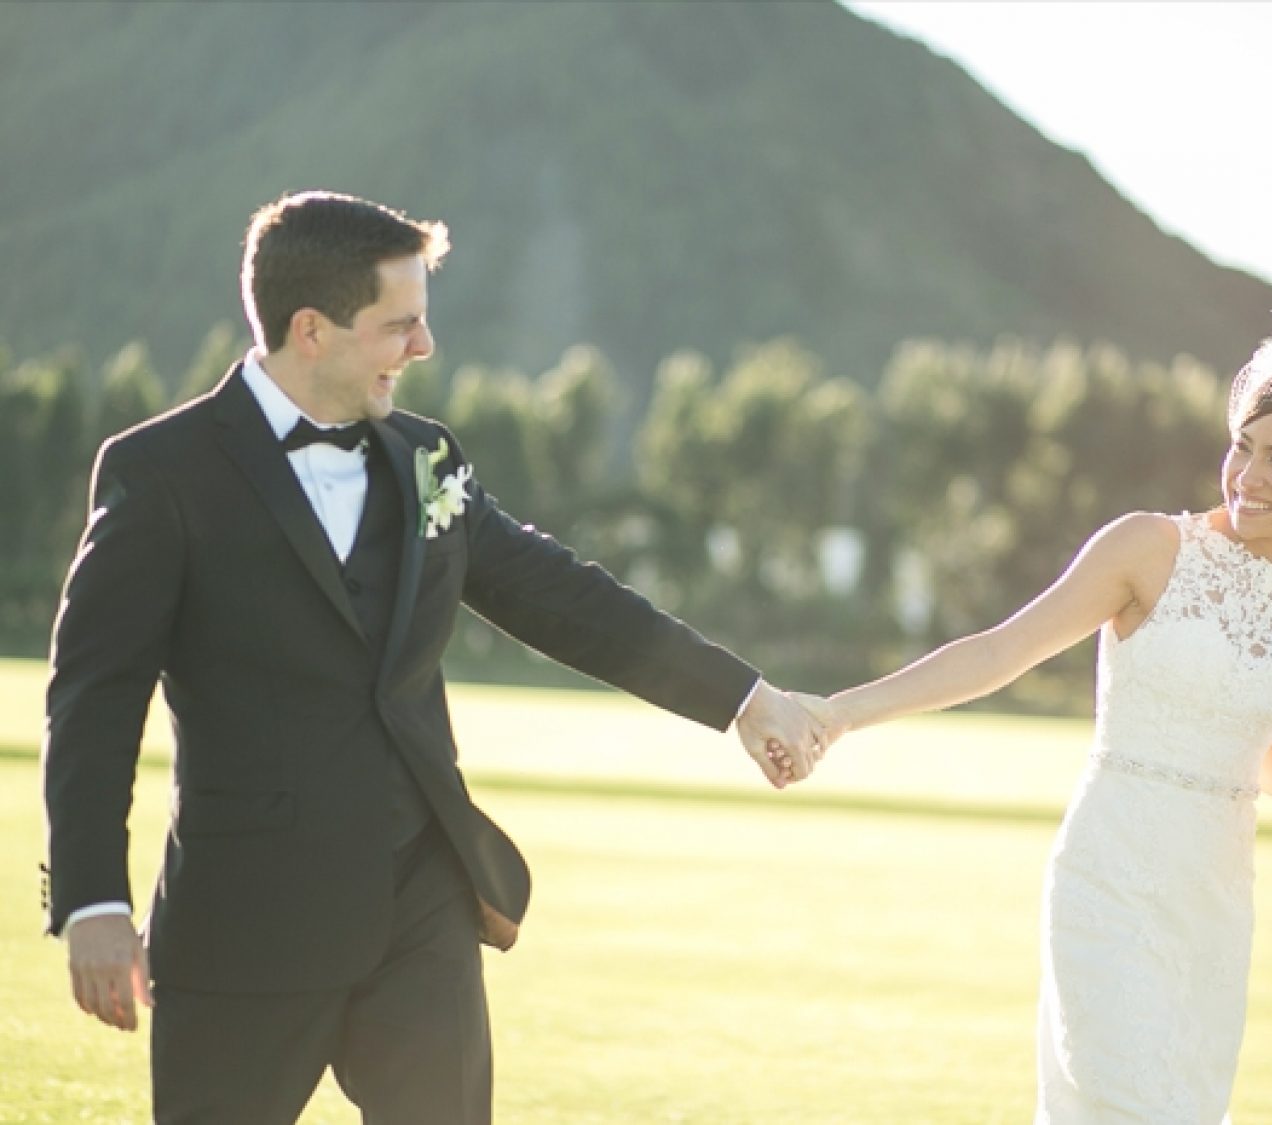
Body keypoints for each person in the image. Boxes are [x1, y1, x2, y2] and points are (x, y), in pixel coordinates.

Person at [41, 190, 822, 1124]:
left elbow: (563, 598)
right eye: (400, 324)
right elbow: (93, 694)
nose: (424, 348)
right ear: (312, 330)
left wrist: (740, 697)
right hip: (244, 923)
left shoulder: (429, 461)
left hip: (422, 910)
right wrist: (91, 896)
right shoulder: (161, 472)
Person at [795, 312, 1272, 1123]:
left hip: (1214, 904)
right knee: (1128, 1102)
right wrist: (836, 713)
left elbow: (1240, 741)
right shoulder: (1146, 549)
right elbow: (999, 652)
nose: (1247, 474)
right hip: (1111, 876)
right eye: (1243, 446)